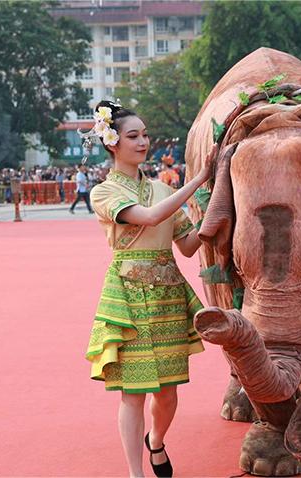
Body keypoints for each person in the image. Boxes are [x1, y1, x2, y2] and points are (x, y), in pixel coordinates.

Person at [84, 100, 216, 478]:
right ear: (113, 143)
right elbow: (149, 217)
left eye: (144, 135)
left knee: (168, 391)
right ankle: (135, 473)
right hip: (127, 294)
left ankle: (156, 440)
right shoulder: (104, 193)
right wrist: (198, 179)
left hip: (169, 295)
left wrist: (212, 211)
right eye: (133, 136)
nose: (143, 142)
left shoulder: (161, 188)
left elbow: (189, 246)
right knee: (133, 393)